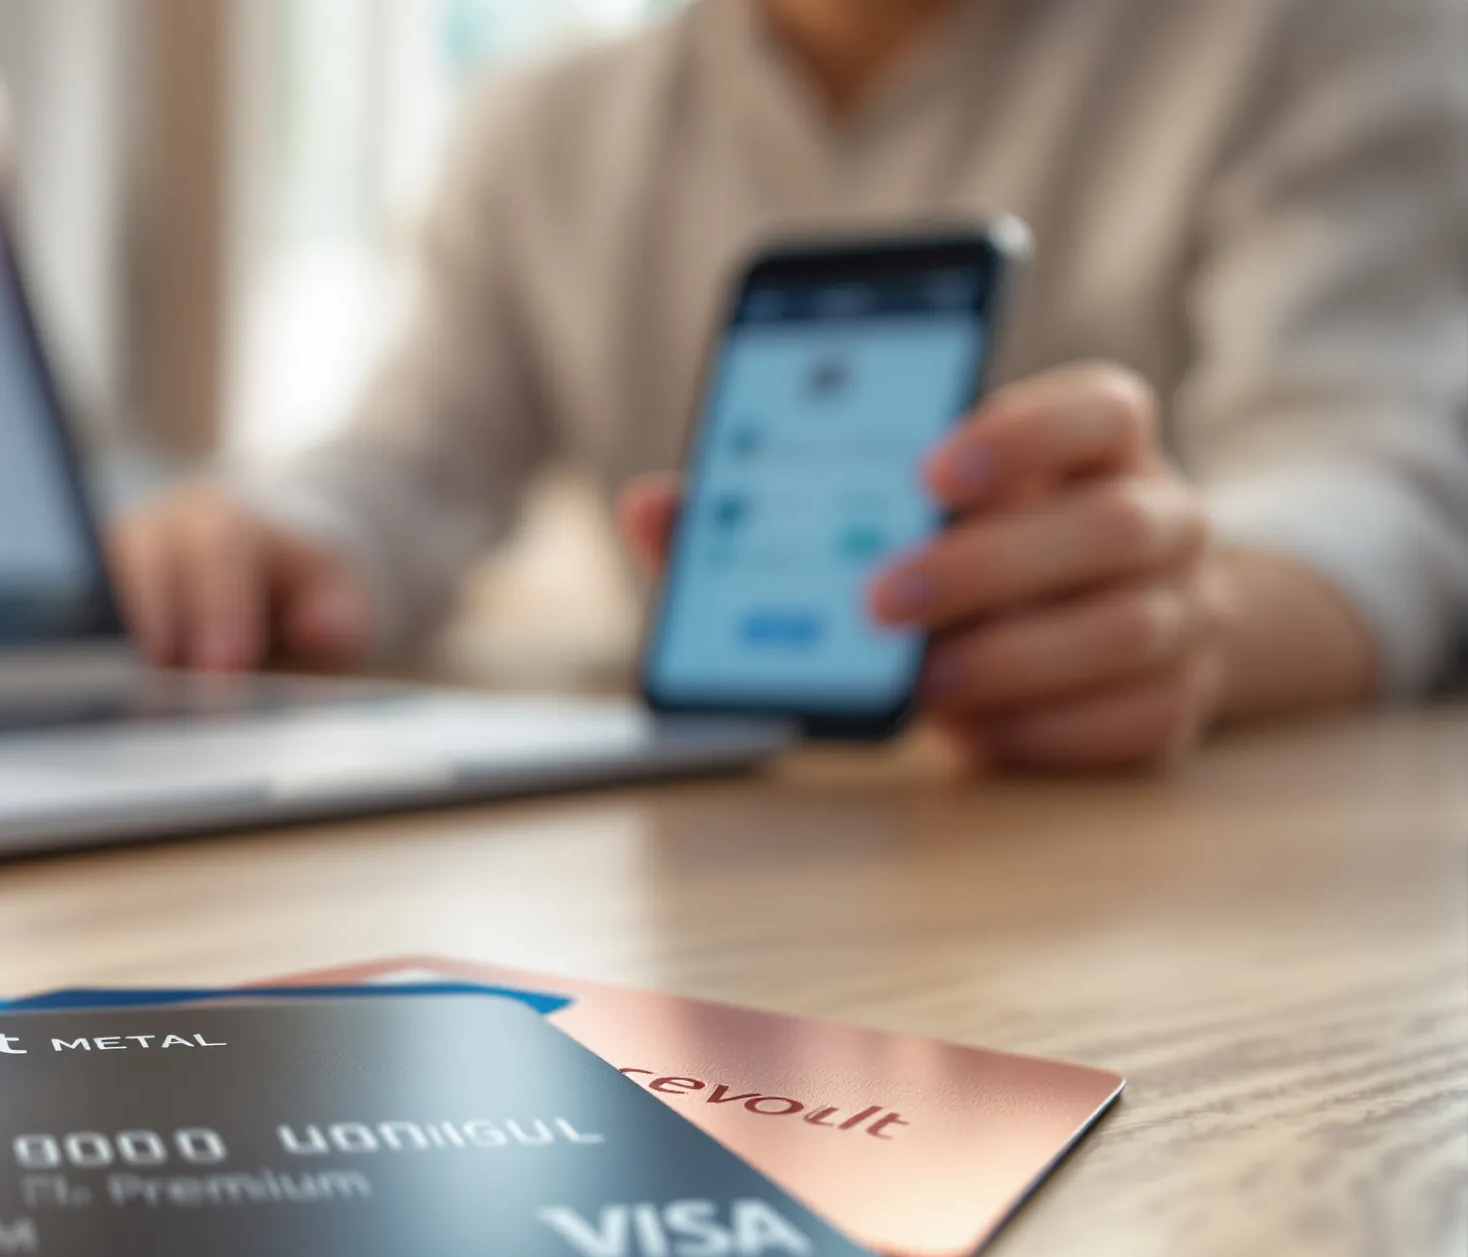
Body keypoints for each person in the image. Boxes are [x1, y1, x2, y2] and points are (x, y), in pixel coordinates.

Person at [106, 0, 1468, 771]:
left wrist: (1195, 609)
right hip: (719, 868)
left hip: (1158, 914)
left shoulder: (1332, 36)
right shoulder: (544, 127)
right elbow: (405, 464)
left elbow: (1379, 483)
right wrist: (274, 536)